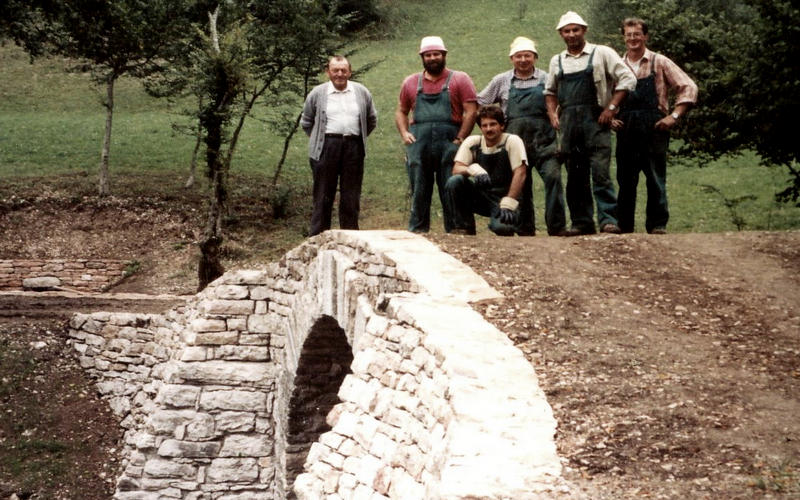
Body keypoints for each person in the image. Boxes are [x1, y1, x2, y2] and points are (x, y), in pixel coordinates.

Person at [545, 11, 636, 235]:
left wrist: (611, 108)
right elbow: (549, 91)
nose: (572, 34)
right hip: (569, 126)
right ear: (561, 34)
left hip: (596, 122)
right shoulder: (557, 61)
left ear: (584, 31)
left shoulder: (601, 53)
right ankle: (581, 222)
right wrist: (552, 114)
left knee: (601, 172)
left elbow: (628, 79)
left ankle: (608, 220)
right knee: (575, 176)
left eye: (576, 29)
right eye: (567, 31)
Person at [614, 17, 698, 234]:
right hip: (626, 128)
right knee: (625, 180)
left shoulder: (659, 61)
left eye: (637, 34)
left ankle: (657, 225)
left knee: (655, 177)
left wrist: (675, 116)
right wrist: (610, 115)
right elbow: (605, 95)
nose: (633, 39)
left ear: (645, 36)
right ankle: (624, 228)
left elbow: (688, 86)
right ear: (624, 37)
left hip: (654, 127)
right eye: (629, 35)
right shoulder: (616, 65)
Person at [479, 36, 567, 236]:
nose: (523, 60)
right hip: (515, 146)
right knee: (521, 186)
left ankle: (557, 227)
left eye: (527, 55)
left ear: (535, 57)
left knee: (553, 178)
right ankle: (525, 231)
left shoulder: (546, 78)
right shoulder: (501, 80)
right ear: (512, 59)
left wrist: (557, 120)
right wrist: (488, 128)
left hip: (545, 143)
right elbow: (480, 101)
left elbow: (561, 103)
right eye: (518, 56)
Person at [395, 36, 478, 233]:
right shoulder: (411, 82)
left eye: (436, 54)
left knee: (451, 185)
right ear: (422, 57)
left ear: (444, 55)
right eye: (428, 55)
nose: (433, 58)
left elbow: (471, 111)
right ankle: (418, 231)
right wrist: (404, 133)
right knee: (419, 189)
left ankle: (458, 229)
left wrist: (461, 138)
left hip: (449, 141)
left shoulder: (460, 79)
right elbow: (401, 111)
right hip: (419, 142)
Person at [301, 55, 377, 236]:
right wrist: (320, 139)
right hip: (326, 147)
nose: (340, 74)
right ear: (328, 72)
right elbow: (306, 121)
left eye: (344, 70)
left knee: (351, 197)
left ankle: (351, 239)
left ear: (350, 72)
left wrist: (356, 138)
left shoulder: (361, 92)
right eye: (335, 70)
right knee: (323, 196)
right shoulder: (318, 93)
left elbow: (371, 119)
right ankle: (318, 239)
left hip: (353, 147)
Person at [444, 104, 527, 236]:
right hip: (482, 197)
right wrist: (472, 169)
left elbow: (520, 172)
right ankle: (463, 228)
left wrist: (509, 201)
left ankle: (506, 223)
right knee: (455, 181)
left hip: (504, 199)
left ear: (502, 126)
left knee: (502, 229)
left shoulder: (512, 141)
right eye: (484, 125)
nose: (488, 129)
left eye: (493, 124)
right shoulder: (474, 143)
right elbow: (456, 169)